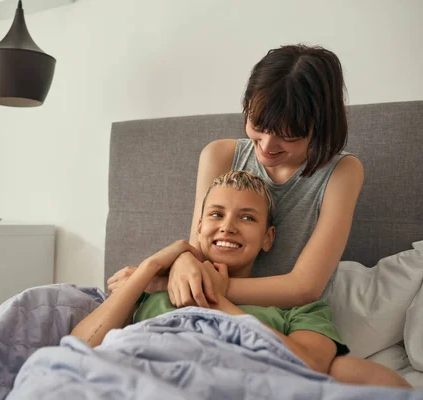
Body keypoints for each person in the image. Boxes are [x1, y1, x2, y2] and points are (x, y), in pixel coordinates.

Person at [77, 171, 410, 388]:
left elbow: (311, 365)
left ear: (268, 238)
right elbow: (82, 345)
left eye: (247, 218)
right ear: (198, 227)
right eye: (216, 214)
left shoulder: (298, 308)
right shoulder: (150, 290)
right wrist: (153, 266)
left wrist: (218, 300)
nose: (228, 226)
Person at [108, 44, 365, 310]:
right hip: (210, 308)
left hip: (290, 320)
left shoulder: (342, 172)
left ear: (320, 127)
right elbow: (200, 252)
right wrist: (181, 264)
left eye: (288, 136)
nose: (266, 145)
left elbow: (304, 288)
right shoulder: (219, 155)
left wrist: (155, 280)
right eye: (258, 126)